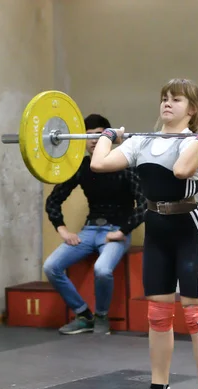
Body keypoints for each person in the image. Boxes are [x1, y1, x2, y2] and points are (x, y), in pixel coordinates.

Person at [91, 78, 198, 389]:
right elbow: (99, 164)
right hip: (157, 229)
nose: (167, 104)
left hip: (189, 229)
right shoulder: (141, 141)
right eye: (164, 98)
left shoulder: (196, 143)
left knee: (196, 314)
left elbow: (181, 171)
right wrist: (108, 136)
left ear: (191, 109)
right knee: (158, 315)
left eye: (176, 100)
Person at [44, 113, 147, 335]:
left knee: (102, 269)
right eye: (88, 136)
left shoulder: (125, 166)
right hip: (90, 230)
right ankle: (83, 315)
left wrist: (123, 231)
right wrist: (62, 230)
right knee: (51, 267)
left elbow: (145, 205)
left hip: (115, 232)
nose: (92, 141)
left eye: (98, 136)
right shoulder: (82, 167)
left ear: (108, 138)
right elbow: (53, 200)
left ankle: (102, 317)